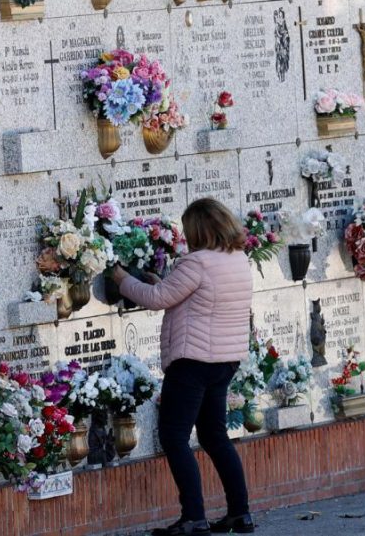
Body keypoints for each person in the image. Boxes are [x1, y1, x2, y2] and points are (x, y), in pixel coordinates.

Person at [112, 198, 255, 536]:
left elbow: (158, 299)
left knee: (174, 436)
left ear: (199, 229)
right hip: (223, 360)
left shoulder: (197, 262)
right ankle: (241, 513)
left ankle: (194, 517)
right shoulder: (237, 259)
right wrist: (160, 280)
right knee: (214, 436)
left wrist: (121, 279)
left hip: (192, 362)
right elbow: (183, 292)